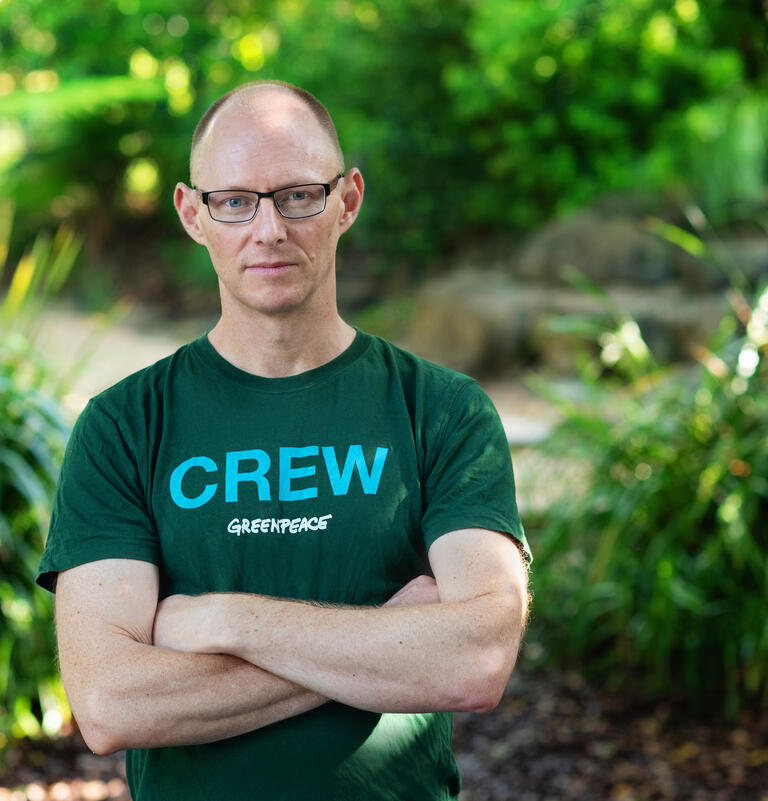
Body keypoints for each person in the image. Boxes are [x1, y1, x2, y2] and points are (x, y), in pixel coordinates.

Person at [36, 80, 531, 801]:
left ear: (347, 200)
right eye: (235, 201)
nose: (269, 229)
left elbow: (476, 659)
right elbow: (111, 704)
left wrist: (223, 619)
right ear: (192, 214)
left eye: (299, 195)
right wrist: (388, 640)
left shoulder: (442, 411)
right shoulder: (123, 426)